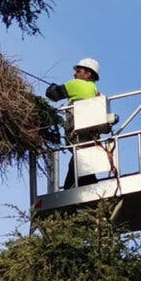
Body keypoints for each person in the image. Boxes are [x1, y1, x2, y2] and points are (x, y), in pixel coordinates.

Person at [44, 58, 102, 187]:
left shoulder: (76, 84)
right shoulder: (96, 93)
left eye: (78, 71)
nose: (74, 74)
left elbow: (52, 94)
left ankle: (68, 192)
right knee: (81, 164)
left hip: (78, 134)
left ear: (88, 74)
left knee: (79, 162)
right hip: (91, 136)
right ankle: (83, 189)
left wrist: (52, 86)